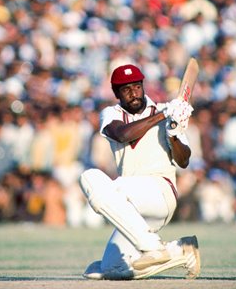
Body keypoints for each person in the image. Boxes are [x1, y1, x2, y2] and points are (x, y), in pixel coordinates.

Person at [79, 64, 200, 280]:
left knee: (90, 178)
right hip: (133, 207)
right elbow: (123, 134)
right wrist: (164, 116)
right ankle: (180, 250)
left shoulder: (168, 111)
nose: (133, 93)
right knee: (109, 270)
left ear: (143, 86)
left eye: (136, 87)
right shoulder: (110, 114)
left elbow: (184, 161)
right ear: (116, 93)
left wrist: (173, 132)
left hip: (161, 193)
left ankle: (154, 248)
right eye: (126, 89)